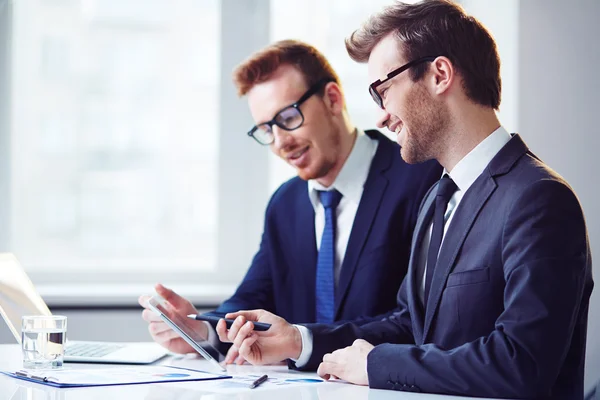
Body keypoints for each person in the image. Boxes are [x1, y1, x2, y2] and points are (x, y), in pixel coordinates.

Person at [215, 2, 594, 398]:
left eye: (383, 91)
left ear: (440, 75)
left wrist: (375, 365)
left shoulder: (538, 199)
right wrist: (300, 340)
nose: (380, 116)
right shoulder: (439, 198)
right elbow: (409, 323)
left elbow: (521, 363)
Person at [138, 40, 441, 363]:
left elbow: (417, 321)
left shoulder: (420, 177)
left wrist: (304, 342)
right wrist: (201, 330)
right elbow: (253, 296)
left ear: (332, 99)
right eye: (267, 129)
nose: (281, 141)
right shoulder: (285, 204)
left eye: (288, 117)